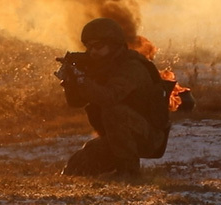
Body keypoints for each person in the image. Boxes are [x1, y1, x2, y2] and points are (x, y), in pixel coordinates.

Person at [57, 18, 173, 177]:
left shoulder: (132, 68)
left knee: (114, 111)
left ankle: (129, 173)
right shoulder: (102, 66)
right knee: (77, 167)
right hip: (119, 137)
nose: (92, 52)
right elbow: (76, 102)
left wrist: (83, 80)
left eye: (98, 46)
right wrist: (71, 82)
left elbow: (109, 97)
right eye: (89, 47)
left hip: (149, 137)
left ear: (114, 44)